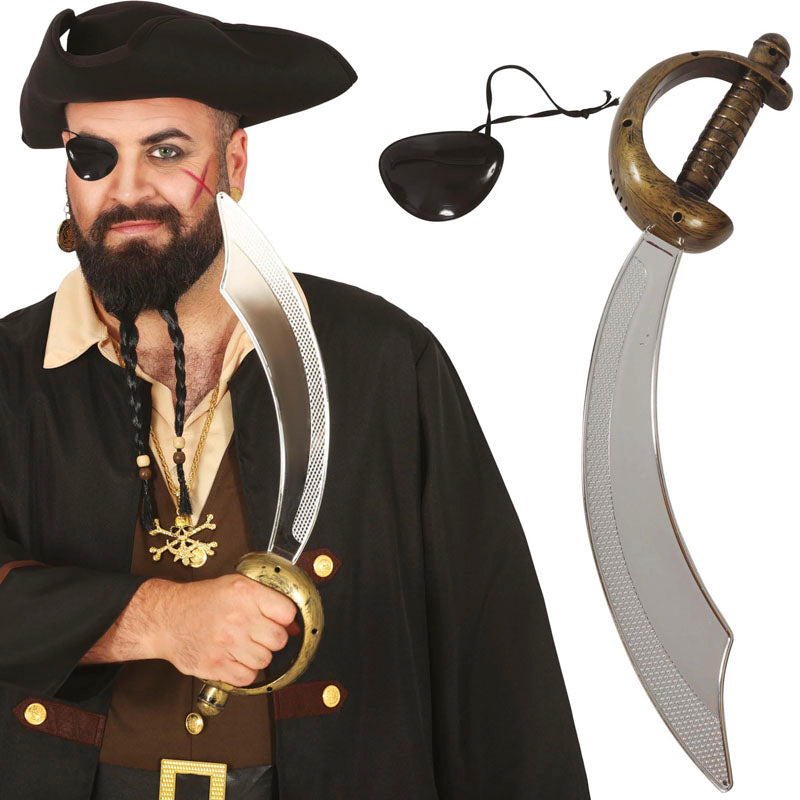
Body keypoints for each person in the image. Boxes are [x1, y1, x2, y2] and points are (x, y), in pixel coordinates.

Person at [0, 3, 590, 799]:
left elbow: (494, 655)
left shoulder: (382, 360)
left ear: (235, 162)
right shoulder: (6, 375)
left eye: (167, 151)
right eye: (94, 156)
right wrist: (160, 619)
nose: (127, 189)